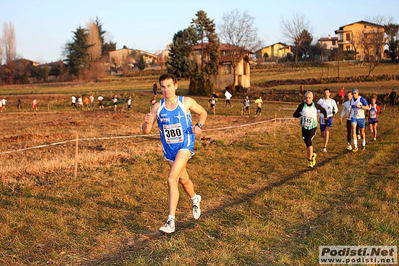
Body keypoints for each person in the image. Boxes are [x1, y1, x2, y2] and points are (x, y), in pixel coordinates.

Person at [142, 73, 207, 234]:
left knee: (172, 179)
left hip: (185, 145)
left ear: (175, 86)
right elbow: (146, 131)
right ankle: (195, 198)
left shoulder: (186, 102)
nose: (166, 90)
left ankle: (171, 221)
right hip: (169, 149)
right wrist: (147, 121)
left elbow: (203, 112)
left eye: (169, 86)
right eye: (163, 86)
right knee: (183, 179)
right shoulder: (157, 107)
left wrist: (199, 125)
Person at [293, 91, 327, 168]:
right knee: (307, 144)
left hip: (313, 127)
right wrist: (299, 114)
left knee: (309, 141)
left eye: (309, 98)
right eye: (306, 98)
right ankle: (312, 156)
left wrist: (326, 118)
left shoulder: (315, 105)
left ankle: (310, 161)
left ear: (312, 98)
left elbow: (324, 110)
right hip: (304, 127)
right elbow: (295, 114)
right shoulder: (302, 105)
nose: (307, 99)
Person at [317, 88, 338, 153]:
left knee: (327, 131)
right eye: (325, 93)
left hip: (329, 117)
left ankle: (324, 147)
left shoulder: (332, 101)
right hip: (322, 118)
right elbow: (316, 108)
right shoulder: (321, 101)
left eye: (327, 93)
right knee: (323, 134)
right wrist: (320, 111)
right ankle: (325, 137)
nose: (326, 94)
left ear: (329, 93)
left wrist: (333, 112)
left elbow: (336, 109)